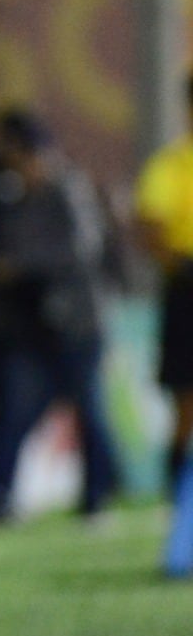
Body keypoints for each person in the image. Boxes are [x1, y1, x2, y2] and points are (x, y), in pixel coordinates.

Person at [0, 109, 119, 524]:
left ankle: (96, 499)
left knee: (89, 409)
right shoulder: (14, 194)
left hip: (79, 322)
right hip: (37, 324)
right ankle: (0, 497)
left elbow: (80, 251)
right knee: (17, 409)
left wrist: (19, 266)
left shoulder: (69, 188)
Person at [133, 74, 193, 495]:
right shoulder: (171, 165)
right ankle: (178, 501)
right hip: (188, 288)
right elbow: (151, 227)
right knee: (186, 399)